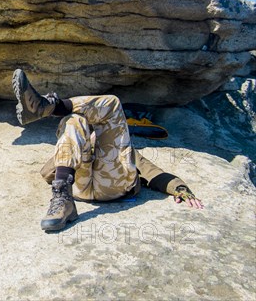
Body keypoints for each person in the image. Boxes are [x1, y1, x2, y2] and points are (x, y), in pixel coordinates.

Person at [11, 69, 203, 232]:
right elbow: (47, 173)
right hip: (80, 186)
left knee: (110, 104)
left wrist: (179, 189)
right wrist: (75, 148)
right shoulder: (72, 145)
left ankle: (46, 107)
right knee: (73, 120)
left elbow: (153, 172)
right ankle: (62, 201)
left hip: (113, 186)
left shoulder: (119, 149)